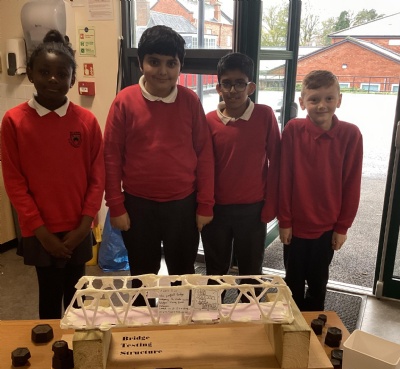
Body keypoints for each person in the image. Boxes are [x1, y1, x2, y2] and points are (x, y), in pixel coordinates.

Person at [103, 25, 214, 300]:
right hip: (138, 206)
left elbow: (204, 154)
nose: (163, 71)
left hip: (183, 206)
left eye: (171, 63)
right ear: (141, 62)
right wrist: (116, 205)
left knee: (182, 274)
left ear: (180, 66)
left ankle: (180, 320)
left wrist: (205, 204)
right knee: (142, 275)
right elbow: (111, 156)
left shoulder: (190, 101)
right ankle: (143, 318)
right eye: (154, 62)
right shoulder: (124, 101)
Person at [1, 30, 105, 319]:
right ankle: (52, 347)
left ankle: (79, 345)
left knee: (77, 300)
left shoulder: (86, 121)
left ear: (72, 79)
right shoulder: (14, 121)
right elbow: (14, 181)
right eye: (44, 72)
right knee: (49, 299)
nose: (53, 79)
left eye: (62, 73)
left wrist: (84, 226)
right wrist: (41, 232)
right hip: (40, 231)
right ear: (31, 74)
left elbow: (97, 177)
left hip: (78, 227)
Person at [278, 70, 363, 311]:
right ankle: (293, 324)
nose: (322, 105)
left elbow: (352, 183)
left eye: (329, 98)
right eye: (314, 99)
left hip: (327, 228)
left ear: (339, 100)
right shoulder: (293, 130)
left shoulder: (351, 135)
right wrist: (285, 221)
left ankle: (313, 325)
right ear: (302, 102)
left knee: (318, 282)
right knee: (292, 282)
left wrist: (342, 227)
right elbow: (284, 178)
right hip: (295, 226)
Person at [201, 52, 281, 301]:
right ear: (218, 88)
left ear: (251, 87)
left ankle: (250, 312)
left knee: (251, 269)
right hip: (217, 210)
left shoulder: (265, 115)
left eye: (240, 83)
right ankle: (212, 312)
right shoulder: (208, 121)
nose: (233, 90)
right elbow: (204, 168)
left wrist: (271, 205)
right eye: (227, 83)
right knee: (215, 268)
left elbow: (276, 162)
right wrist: (204, 205)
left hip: (253, 210)